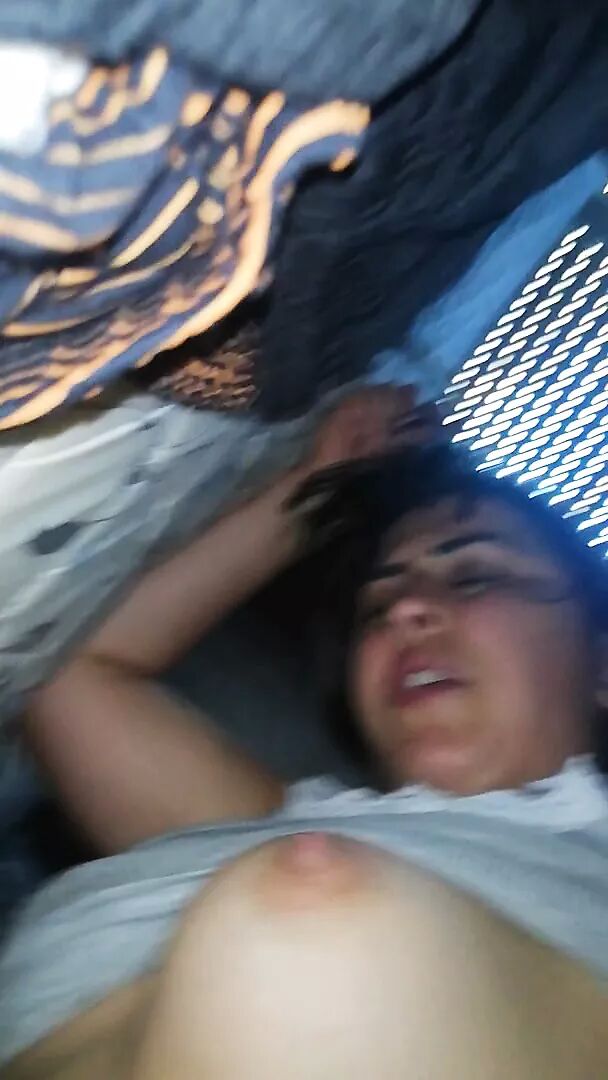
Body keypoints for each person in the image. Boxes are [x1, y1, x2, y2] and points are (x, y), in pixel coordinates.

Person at [1, 387, 607, 1077]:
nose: (404, 608)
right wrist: (319, 482)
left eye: (475, 575)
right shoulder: (281, 823)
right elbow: (73, 675)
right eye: (377, 602)